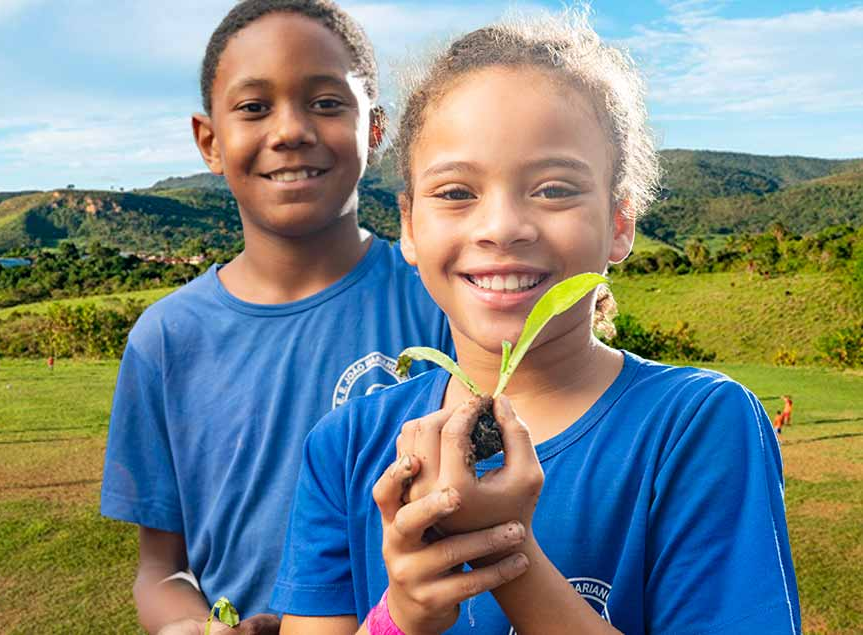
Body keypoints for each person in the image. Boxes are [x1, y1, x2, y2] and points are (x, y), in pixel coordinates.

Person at [271, 11, 799, 634]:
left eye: (553, 189)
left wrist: (499, 550)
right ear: (410, 227)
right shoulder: (348, 446)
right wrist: (400, 616)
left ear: (620, 222)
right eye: (456, 193)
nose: (502, 227)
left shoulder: (696, 425)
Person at [99, 2, 452, 631]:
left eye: (326, 103)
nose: (290, 130)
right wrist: (190, 627)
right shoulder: (166, 339)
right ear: (209, 140)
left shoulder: (441, 300)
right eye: (254, 107)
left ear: (375, 127)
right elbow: (161, 568)